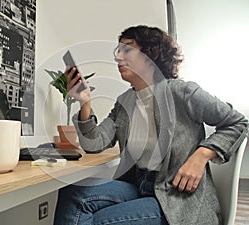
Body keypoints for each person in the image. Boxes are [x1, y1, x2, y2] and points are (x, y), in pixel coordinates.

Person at [53, 25, 248, 225]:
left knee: (101, 220)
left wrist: (201, 156)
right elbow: (94, 143)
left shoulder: (182, 92)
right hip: (138, 184)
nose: (118, 57)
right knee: (73, 195)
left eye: (127, 49)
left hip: (176, 196)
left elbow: (239, 123)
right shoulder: (125, 102)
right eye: (117, 51)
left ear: (151, 54)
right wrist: (85, 103)